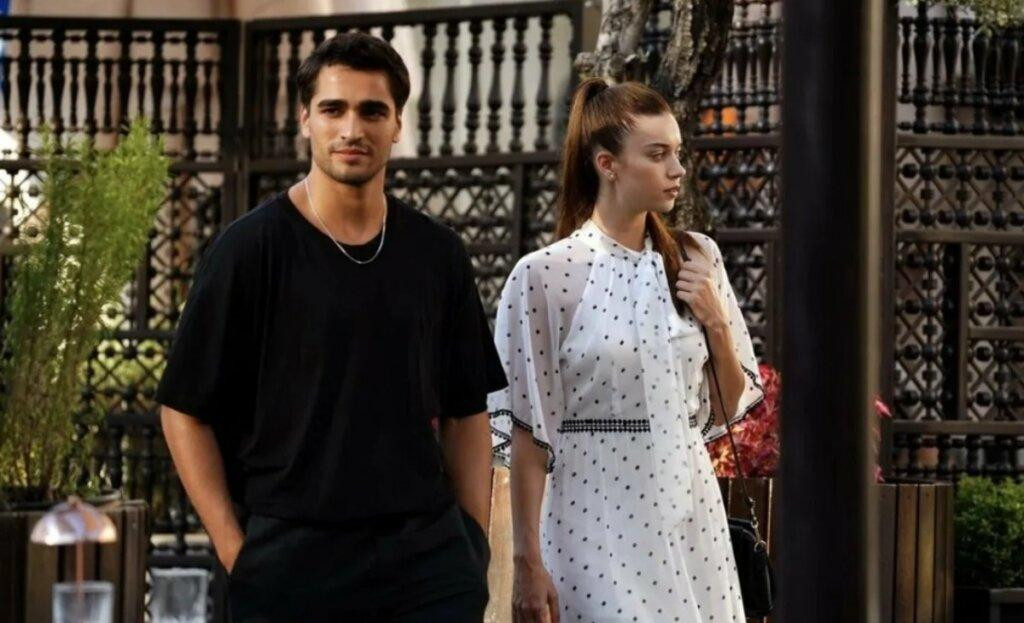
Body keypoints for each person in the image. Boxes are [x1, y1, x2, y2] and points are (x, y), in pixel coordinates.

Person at [157, 32, 507, 622]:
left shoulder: (437, 253)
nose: (352, 129)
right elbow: (183, 409)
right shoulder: (251, 249)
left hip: (427, 566)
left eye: (372, 111)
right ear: (306, 120)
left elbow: (466, 408)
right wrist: (236, 551)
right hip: (292, 563)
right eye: (333, 109)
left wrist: (472, 546)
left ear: (397, 124)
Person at [488, 78, 765, 622]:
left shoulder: (697, 256)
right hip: (590, 517)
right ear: (607, 164)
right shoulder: (543, 276)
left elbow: (727, 404)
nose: (677, 169)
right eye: (657, 155)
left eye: (677, 153)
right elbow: (529, 434)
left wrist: (715, 323)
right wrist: (526, 562)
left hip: (691, 517)